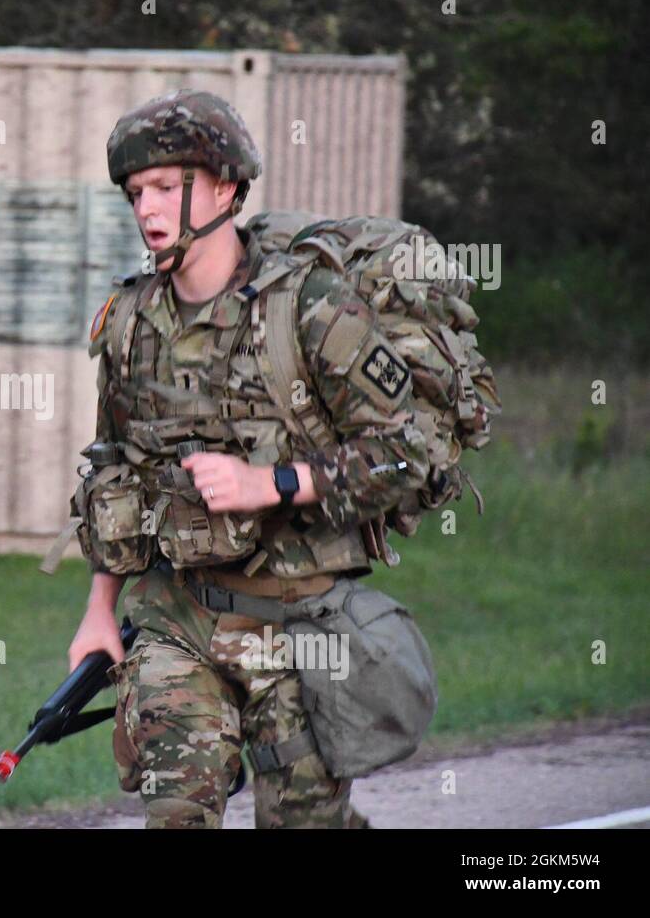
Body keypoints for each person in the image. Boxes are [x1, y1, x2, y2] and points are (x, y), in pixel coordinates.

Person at [63, 89, 431, 828]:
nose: (147, 208)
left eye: (167, 187)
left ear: (225, 187)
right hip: (179, 620)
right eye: (138, 192)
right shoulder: (130, 322)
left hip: (300, 627)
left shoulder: (312, 309)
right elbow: (116, 471)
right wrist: (99, 610)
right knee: (176, 817)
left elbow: (407, 454)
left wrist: (271, 484)